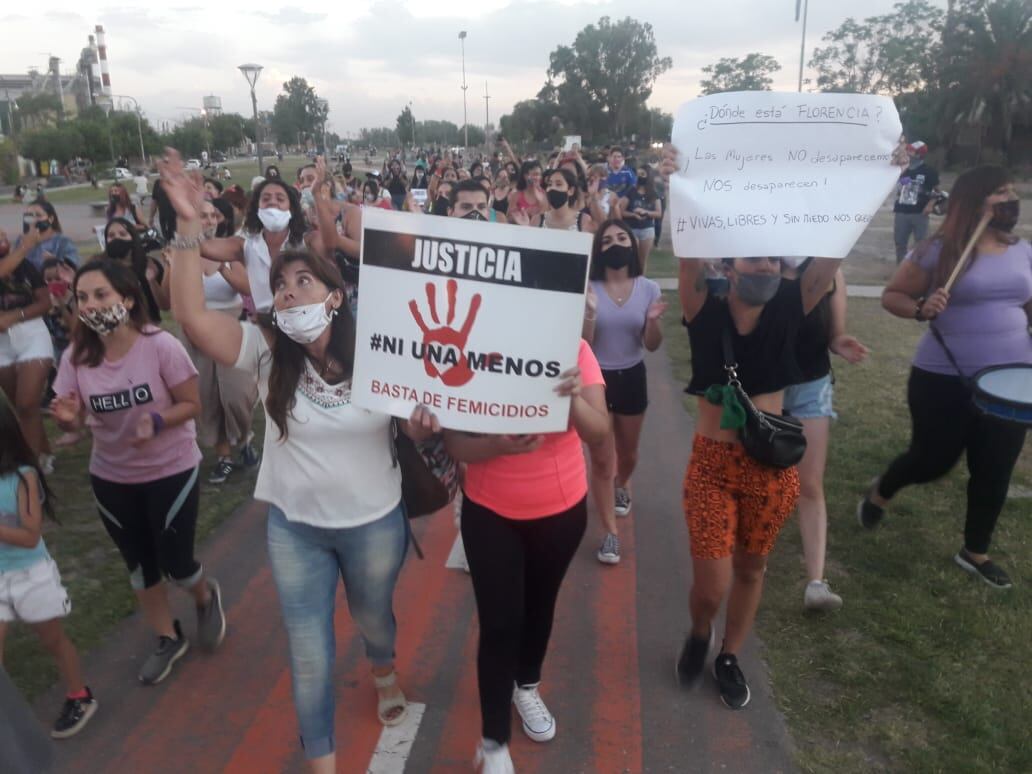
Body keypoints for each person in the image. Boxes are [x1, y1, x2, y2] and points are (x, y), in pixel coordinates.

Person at [161, 148, 434, 773]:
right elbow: (191, 316)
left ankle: (383, 667)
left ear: (335, 297)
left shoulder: (382, 350)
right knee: (309, 654)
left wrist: (423, 430)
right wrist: (185, 231)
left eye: (302, 282)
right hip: (294, 529)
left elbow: (417, 434)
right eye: (280, 288)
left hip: (373, 522)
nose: (288, 294)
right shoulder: (263, 352)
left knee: (374, 621)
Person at [663, 141, 845, 710]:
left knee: (752, 567)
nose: (765, 265)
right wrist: (677, 183)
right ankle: (700, 630)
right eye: (752, 258)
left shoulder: (793, 306)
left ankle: (728, 655)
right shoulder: (703, 310)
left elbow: (833, 254)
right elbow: (686, 257)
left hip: (770, 467)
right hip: (712, 466)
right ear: (730, 265)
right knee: (712, 583)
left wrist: (875, 178)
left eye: (773, 259)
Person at [50, 259, 226, 685]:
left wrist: (159, 422)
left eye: (101, 295)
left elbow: (192, 404)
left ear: (127, 299)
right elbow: (72, 422)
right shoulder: (77, 355)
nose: (90, 306)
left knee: (177, 563)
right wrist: (69, 420)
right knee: (140, 565)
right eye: (83, 298)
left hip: (171, 469)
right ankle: (168, 637)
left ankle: (205, 596)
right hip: (112, 476)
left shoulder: (160, 345)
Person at [860, 165, 1030, 589]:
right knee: (932, 460)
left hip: (1011, 383)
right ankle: (883, 489)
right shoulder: (938, 252)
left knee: (994, 468)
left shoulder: (1022, 249)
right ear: (974, 203)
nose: (1010, 200)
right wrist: (920, 308)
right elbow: (893, 296)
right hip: (943, 378)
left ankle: (975, 551)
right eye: (1000, 193)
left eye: (1011, 193)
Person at [0, 392, 97, 739]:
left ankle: (80, 696)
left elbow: (29, 536)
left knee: (54, 641)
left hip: (31, 574)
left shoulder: (24, 476)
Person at [780, 258, 868, 610]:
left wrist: (841, 341)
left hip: (811, 384)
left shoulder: (831, 272)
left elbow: (834, 333)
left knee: (810, 484)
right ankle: (754, 559)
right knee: (762, 477)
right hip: (763, 382)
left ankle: (816, 582)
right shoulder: (759, 263)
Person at [582, 221, 664, 565]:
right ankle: (610, 533)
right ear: (598, 250)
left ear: (632, 246)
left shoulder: (649, 288)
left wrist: (655, 321)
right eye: (607, 240)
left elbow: (651, 345)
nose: (615, 244)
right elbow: (583, 345)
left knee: (627, 454)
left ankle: (621, 482)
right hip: (596, 379)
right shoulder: (588, 287)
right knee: (601, 458)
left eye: (621, 238)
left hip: (631, 375)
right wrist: (589, 314)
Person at [185, 200, 258, 485]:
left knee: (237, 393)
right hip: (196, 328)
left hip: (230, 326)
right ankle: (224, 456)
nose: (208, 220)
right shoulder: (181, 251)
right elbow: (168, 300)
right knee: (206, 395)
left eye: (212, 215)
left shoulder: (231, 248)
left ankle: (244, 438)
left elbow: (248, 287)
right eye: (201, 215)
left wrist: (223, 266)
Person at [200, 178, 306, 314]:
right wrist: (186, 217)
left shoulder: (306, 243)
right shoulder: (245, 245)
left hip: (303, 325)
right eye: (266, 199)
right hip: (266, 327)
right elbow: (200, 247)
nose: (272, 202)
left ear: (290, 207)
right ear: (257, 207)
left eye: (280, 199)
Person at [0, 226, 55, 471]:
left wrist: (17, 315)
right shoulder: (18, 259)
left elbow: (45, 302)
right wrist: (25, 247)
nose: (2, 240)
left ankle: (30, 469)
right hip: (2, 344)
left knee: (26, 402)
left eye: (3, 235)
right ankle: (44, 453)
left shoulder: (25, 267)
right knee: (23, 407)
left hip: (32, 335)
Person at [102, 218, 167, 321]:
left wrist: (152, 281)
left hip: (148, 326)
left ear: (133, 237)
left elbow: (165, 306)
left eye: (123, 234)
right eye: (111, 236)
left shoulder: (149, 264)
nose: (117, 238)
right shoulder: (101, 268)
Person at [893, 141, 940, 263]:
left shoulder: (929, 172)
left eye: (911, 150)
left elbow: (937, 191)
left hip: (919, 212)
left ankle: (918, 267)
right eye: (908, 150)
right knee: (900, 242)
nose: (908, 152)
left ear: (919, 155)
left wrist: (930, 205)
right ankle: (901, 268)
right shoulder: (903, 169)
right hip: (901, 211)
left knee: (921, 243)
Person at [513, 168, 594, 234]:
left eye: (558, 184)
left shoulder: (583, 220)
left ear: (570, 190)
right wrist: (525, 229)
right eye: (550, 184)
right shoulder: (537, 220)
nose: (552, 188)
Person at [619, 167, 662, 275]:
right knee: (631, 259)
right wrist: (633, 214)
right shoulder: (631, 191)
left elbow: (658, 213)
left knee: (642, 261)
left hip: (647, 230)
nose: (639, 176)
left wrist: (646, 212)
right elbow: (621, 211)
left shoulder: (653, 193)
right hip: (631, 228)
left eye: (642, 174)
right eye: (638, 174)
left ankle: (641, 282)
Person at [16, 201, 81, 272]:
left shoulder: (63, 242)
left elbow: (73, 267)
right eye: (29, 216)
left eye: (38, 215)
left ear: (51, 219)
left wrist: (55, 262)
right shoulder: (21, 240)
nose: (34, 220)